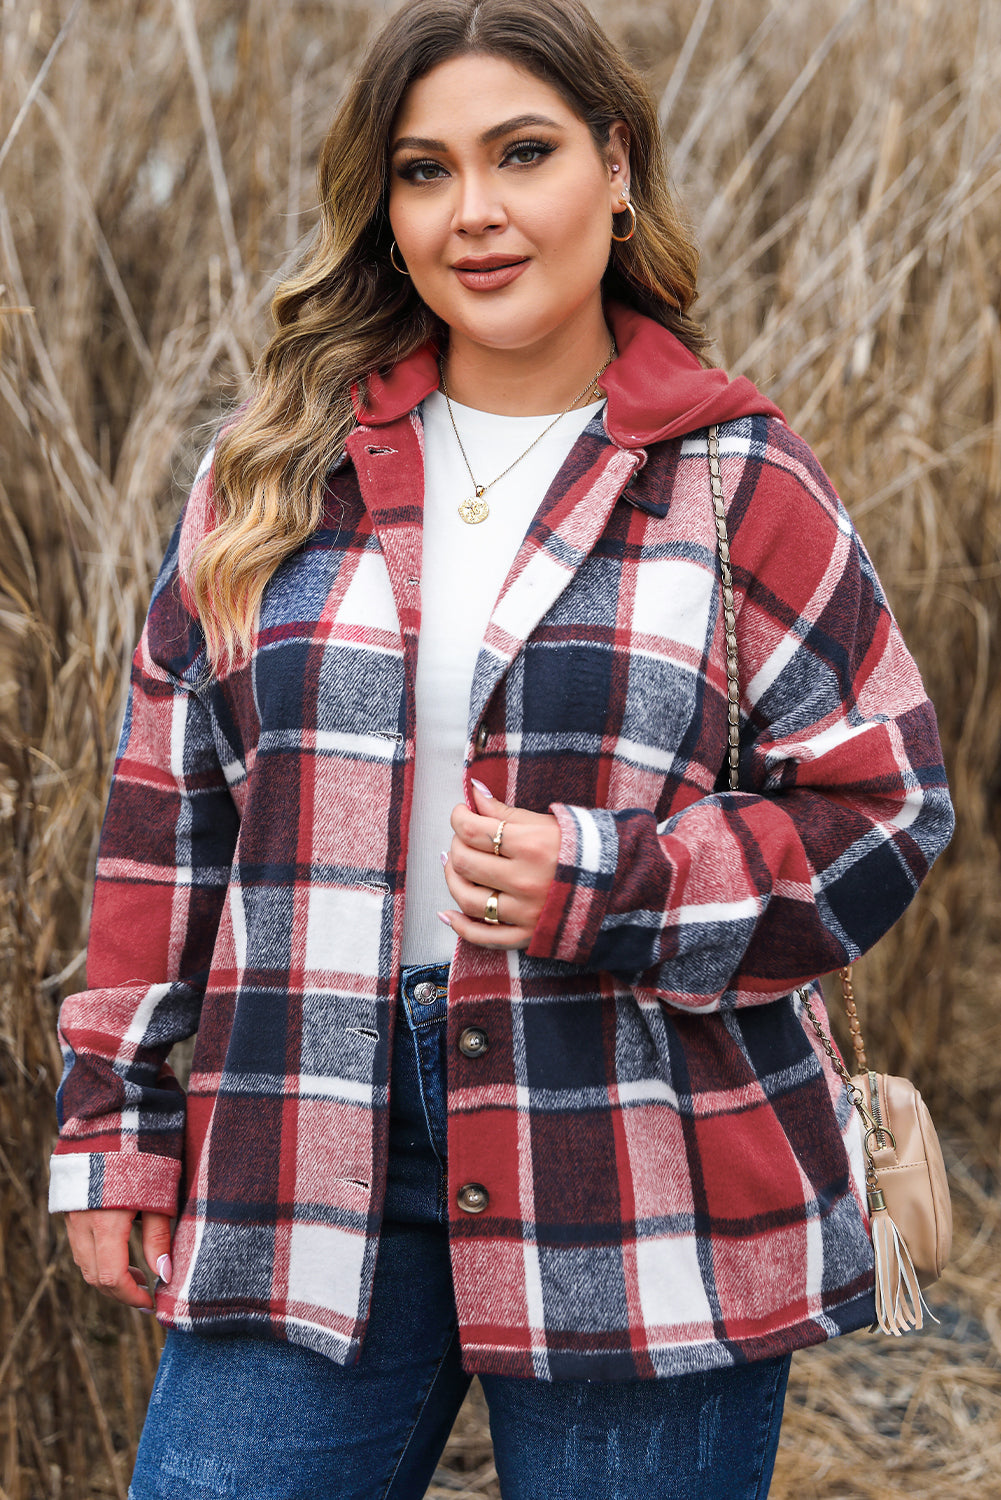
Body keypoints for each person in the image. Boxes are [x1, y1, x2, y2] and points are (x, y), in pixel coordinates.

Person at [49, 1, 955, 1495]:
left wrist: (606, 881)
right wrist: (119, 1136)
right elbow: (166, 819)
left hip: (638, 1161)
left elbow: (883, 803)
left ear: (612, 166)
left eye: (519, 153)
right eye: (423, 170)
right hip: (298, 1136)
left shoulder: (737, 481)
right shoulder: (274, 470)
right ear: (383, 207)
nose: (473, 212)